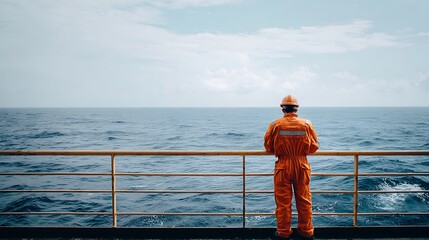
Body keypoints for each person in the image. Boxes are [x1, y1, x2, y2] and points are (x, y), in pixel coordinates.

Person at [264, 95, 319, 240]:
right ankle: (306, 232)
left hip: (283, 166)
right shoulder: (306, 124)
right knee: (304, 200)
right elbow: (313, 147)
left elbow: (268, 147)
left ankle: (283, 233)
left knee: (283, 203)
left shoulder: (275, 124)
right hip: (302, 165)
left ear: (283, 109)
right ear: (296, 108)